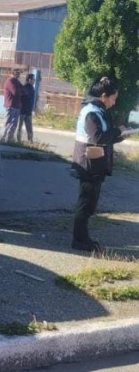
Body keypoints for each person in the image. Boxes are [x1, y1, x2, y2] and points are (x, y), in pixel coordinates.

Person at [70, 77, 127, 252]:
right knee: (85, 204)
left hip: (94, 165)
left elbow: (104, 137)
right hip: (88, 165)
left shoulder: (99, 111)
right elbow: (97, 137)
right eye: (113, 98)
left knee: (89, 204)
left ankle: (83, 239)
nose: (114, 102)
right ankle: (79, 241)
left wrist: (120, 135)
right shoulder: (91, 112)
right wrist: (117, 131)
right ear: (104, 96)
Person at [0, 68, 24, 143]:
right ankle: (2, 139)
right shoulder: (10, 81)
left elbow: (24, 90)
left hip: (17, 106)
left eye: (20, 73)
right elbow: (15, 92)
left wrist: (21, 91)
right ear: (14, 73)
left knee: (14, 124)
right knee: (7, 122)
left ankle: (9, 139)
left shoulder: (17, 81)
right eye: (18, 72)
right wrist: (21, 91)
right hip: (10, 105)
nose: (19, 74)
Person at [16, 73, 36, 142]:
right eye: (33, 79)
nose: (34, 81)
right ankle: (19, 140)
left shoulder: (32, 88)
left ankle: (30, 141)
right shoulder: (24, 87)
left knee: (29, 127)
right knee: (20, 126)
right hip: (22, 111)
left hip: (28, 111)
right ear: (30, 80)